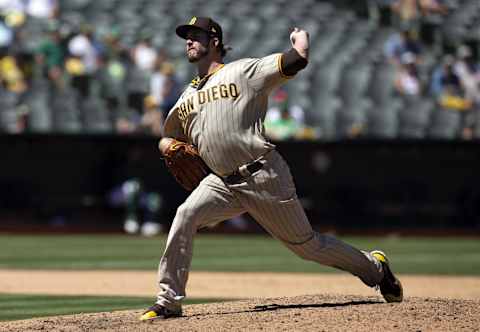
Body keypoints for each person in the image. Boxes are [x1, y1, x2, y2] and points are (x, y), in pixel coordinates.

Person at [140, 17, 403, 321]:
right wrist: (167, 147)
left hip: (262, 174)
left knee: (307, 247)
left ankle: (375, 267)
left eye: (196, 35)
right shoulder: (186, 96)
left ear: (214, 42)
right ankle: (168, 300)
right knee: (185, 214)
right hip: (222, 183)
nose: (188, 41)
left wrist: (301, 43)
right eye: (186, 36)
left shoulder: (243, 71)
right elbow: (168, 136)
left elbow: (294, 62)